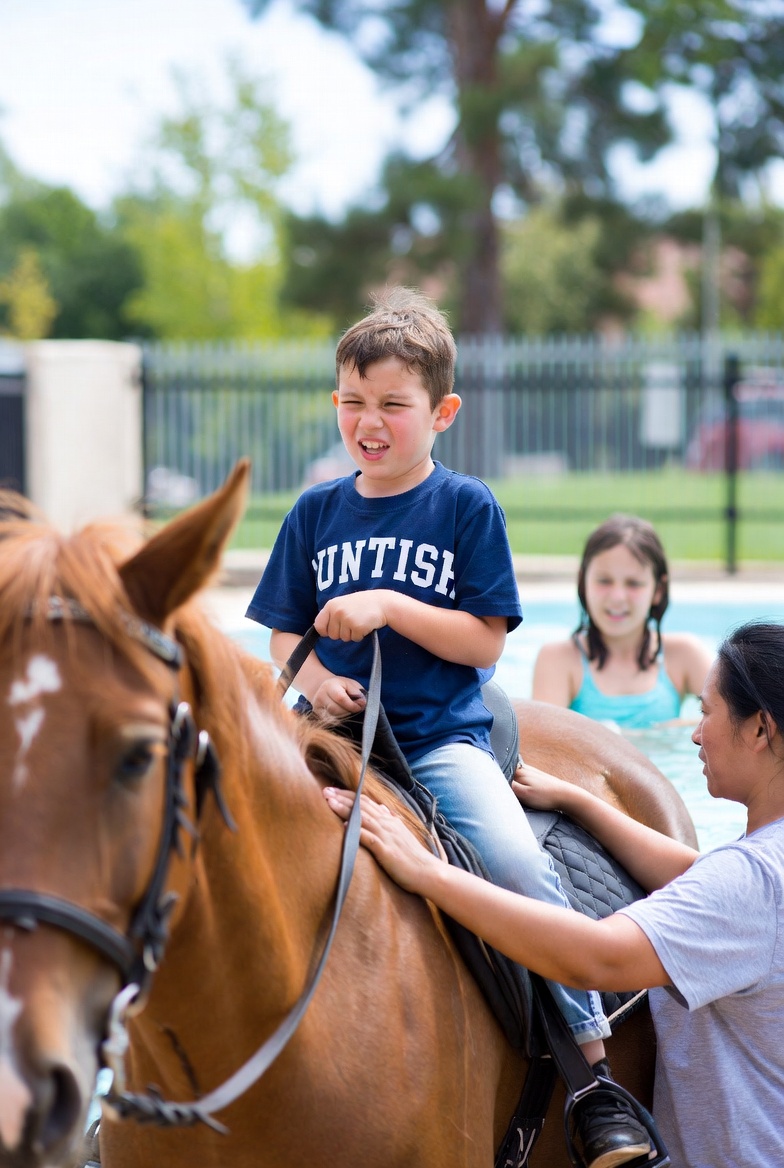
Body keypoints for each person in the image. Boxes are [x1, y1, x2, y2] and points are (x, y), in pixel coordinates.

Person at [247, 286, 651, 1168]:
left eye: (394, 404)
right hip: (330, 740)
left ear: (443, 412)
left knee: (512, 866)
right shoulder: (316, 512)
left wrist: (389, 605)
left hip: (435, 744)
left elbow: (484, 641)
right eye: (354, 403)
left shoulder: (465, 507)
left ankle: (593, 1078)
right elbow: (284, 627)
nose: (371, 423)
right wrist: (314, 671)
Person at [324, 619, 784, 1167]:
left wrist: (428, 872)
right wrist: (583, 802)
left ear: (760, 728)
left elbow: (597, 957)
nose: (695, 733)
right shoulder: (763, 869)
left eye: (707, 712)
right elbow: (699, 876)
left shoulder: (751, 882)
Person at [532, 514, 712, 729]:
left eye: (633, 583)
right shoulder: (559, 660)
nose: (617, 597)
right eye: (604, 581)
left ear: (658, 590)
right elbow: (543, 746)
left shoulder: (684, 655)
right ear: (583, 582)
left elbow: (734, 724)